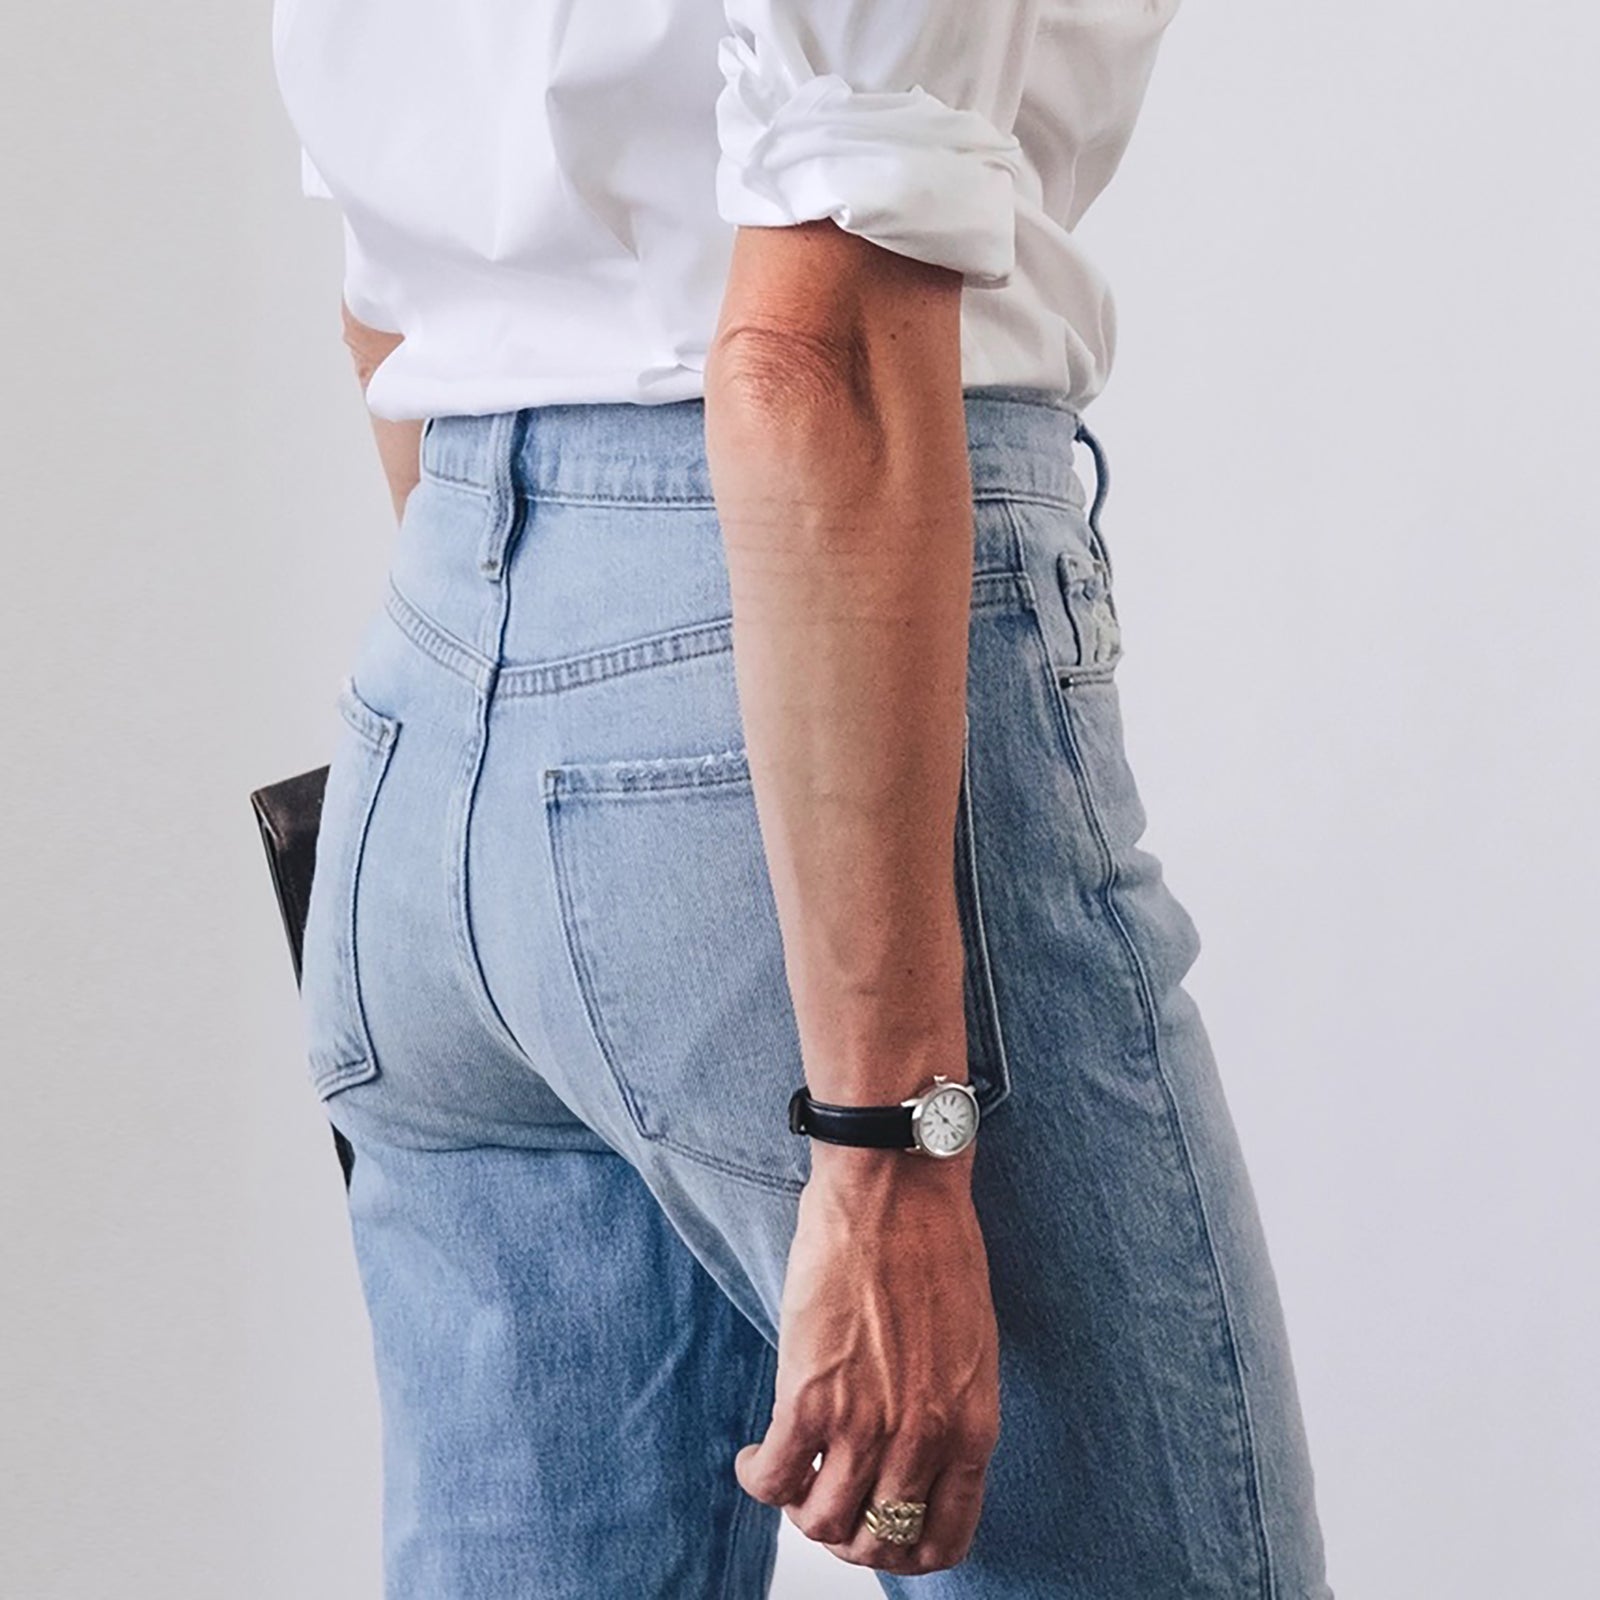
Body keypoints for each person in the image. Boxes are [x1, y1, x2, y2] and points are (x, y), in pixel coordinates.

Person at [275, 1, 1334, 1593]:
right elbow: (810, 344)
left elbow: (385, 293)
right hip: (798, 653)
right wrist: (887, 1138)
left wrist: (536, 735)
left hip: (431, 729)